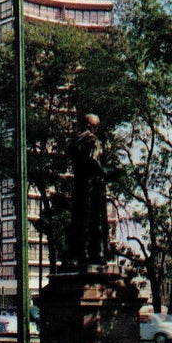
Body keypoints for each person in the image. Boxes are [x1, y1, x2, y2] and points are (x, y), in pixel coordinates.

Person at [69, 114, 111, 266]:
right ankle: (96, 254)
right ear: (93, 127)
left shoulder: (74, 142)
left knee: (79, 220)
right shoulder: (92, 140)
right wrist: (105, 173)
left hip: (78, 186)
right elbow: (93, 159)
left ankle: (80, 254)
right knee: (95, 221)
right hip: (92, 186)